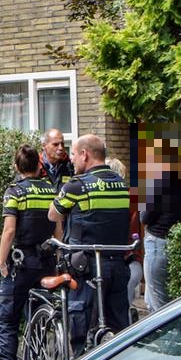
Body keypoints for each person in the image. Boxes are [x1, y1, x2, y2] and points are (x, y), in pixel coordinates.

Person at [49, 134, 132, 347]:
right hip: (117, 265)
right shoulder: (121, 185)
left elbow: (53, 214)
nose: (71, 159)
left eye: (74, 154)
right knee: (119, 332)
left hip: (86, 267)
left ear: (85, 155)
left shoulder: (77, 186)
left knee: (80, 327)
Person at [0, 143, 58, 360]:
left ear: (16, 167)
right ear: (39, 165)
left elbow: (9, 230)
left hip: (20, 264)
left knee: (8, 320)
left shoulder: (14, 192)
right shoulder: (51, 190)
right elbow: (58, 229)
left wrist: (1, 260)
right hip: (46, 262)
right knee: (38, 318)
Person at [141, 139, 181, 311]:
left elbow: (145, 217)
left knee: (158, 301)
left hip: (156, 241)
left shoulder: (157, 182)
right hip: (171, 240)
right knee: (156, 296)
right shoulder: (179, 180)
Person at [108, 157, 145, 315]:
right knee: (125, 305)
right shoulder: (133, 196)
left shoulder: (116, 199)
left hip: (118, 261)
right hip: (133, 260)